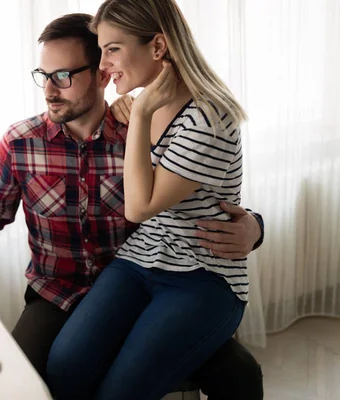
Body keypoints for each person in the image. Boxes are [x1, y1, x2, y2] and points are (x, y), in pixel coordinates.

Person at [0, 13, 264, 399]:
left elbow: (203, 197)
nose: (49, 90)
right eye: (43, 75)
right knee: (22, 385)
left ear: (101, 74)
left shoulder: (140, 136)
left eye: (63, 76)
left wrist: (255, 227)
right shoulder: (21, 142)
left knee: (240, 374)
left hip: (146, 289)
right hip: (56, 294)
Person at [45, 2, 259, 400]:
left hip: (202, 276)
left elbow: (139, 207)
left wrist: (141, 113)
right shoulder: (138, 106)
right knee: (64, 368)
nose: (104, 66)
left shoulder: (209, 118)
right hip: (139, 260)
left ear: (158, 46)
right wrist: (140, 110)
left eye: (112, 49)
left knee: (120, 393)